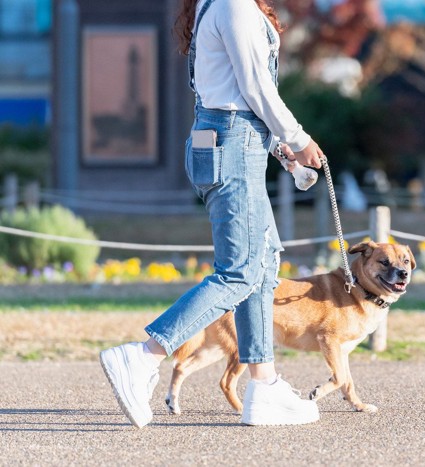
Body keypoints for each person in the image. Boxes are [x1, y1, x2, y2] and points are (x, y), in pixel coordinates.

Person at [99, 0, 325, 428]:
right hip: (233, 141)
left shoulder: (213, 5)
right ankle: (143, 355)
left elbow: (231, 91)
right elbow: (257, 86)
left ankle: (264, 384)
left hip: (225, 137)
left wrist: (278, 149)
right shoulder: (234, 5)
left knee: (263, 260)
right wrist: (297, 138)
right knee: (240, 271)